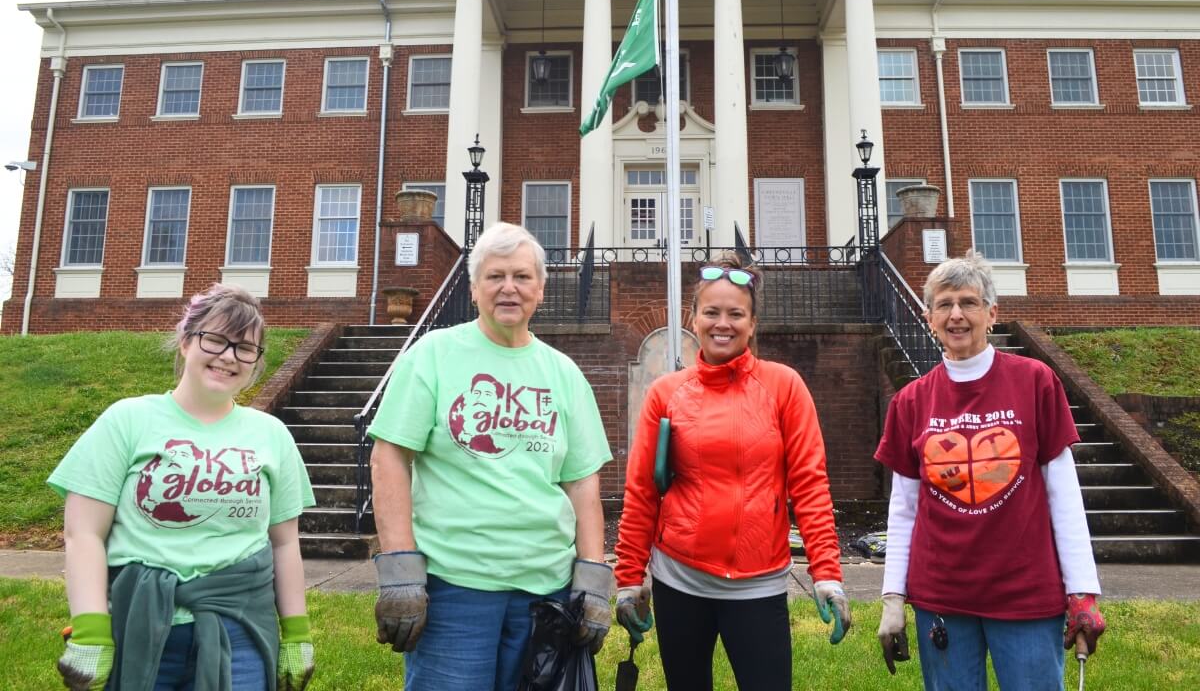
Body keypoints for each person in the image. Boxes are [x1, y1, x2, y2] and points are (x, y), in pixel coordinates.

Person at [368, 221, 614, 691]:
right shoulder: (434, 355)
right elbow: (390, 456)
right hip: (453, 588)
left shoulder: (564, 374)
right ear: (474, 287)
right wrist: (400, 568)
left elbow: (582, 483)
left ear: (541, 289)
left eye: (522, 277)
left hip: (546, 591)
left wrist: (592, 578)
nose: (509, 288)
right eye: (495, 276)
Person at [48, 283, 316, 691]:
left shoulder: (272, 435)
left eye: (246, 348)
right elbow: (83, 534)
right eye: (216, 339)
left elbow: (284, 544)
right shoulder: (127, 421)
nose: (229, 356)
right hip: (141, 627)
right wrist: (90, 630)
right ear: (186, 341)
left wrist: (297, 632)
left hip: (239, 632)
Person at [613, 252, 851, 691]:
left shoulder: (784, 386)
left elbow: (810, 486)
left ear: (752, 323)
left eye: (735, 314)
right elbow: (643, 490)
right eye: (712, 312)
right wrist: (629, 578)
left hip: (757, 584)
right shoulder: (666, 393)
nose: (723, 323)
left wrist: (827, 574)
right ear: (695, 319)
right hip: (679, 579)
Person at [874, 251, 1105, 690]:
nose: (956, 315)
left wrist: (1082, 590)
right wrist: (892, 598)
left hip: (1026, 594)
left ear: (992, 313)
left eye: (969, 302)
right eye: (944, 304)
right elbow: (903, 511)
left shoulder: (1035, 382)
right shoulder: (910, 402)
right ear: (928, 317)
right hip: (941, 595)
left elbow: (1064, 493)